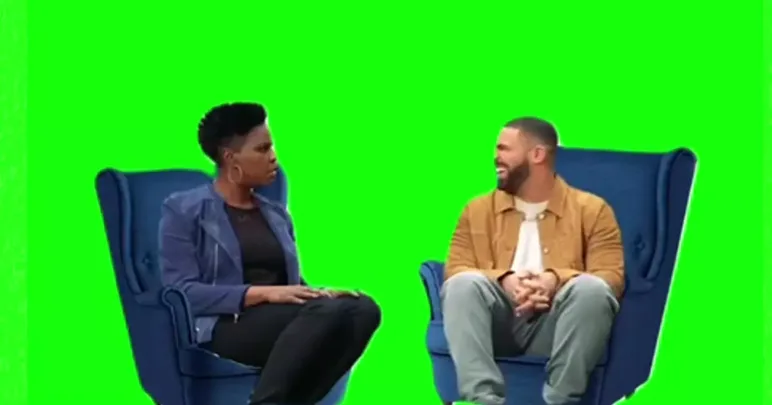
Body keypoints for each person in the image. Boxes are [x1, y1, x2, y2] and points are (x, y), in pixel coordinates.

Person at [158, 102, 382, 405]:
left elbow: (291, 285)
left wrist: (321, 293)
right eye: (263, 149)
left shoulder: (276, 215)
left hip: (288, 319)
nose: (274, 156)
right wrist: (261, 294)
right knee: (329, 313)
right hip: (227, 325)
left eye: (272, 146)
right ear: (230, 158)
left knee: (363, 309)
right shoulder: (184, 210)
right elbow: (182, 291)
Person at [441, 117, 624, 405]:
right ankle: (482, 400)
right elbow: (455, 269)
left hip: (557, 324)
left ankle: (561, 399)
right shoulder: (476, 210)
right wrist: (505, 280)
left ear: (537, 154)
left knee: (593, 289)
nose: (496, 157)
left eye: (504, 149)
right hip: (497, 323)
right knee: (461, 284)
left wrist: (555, 280)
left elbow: (611, 276)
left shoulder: (593, 210)